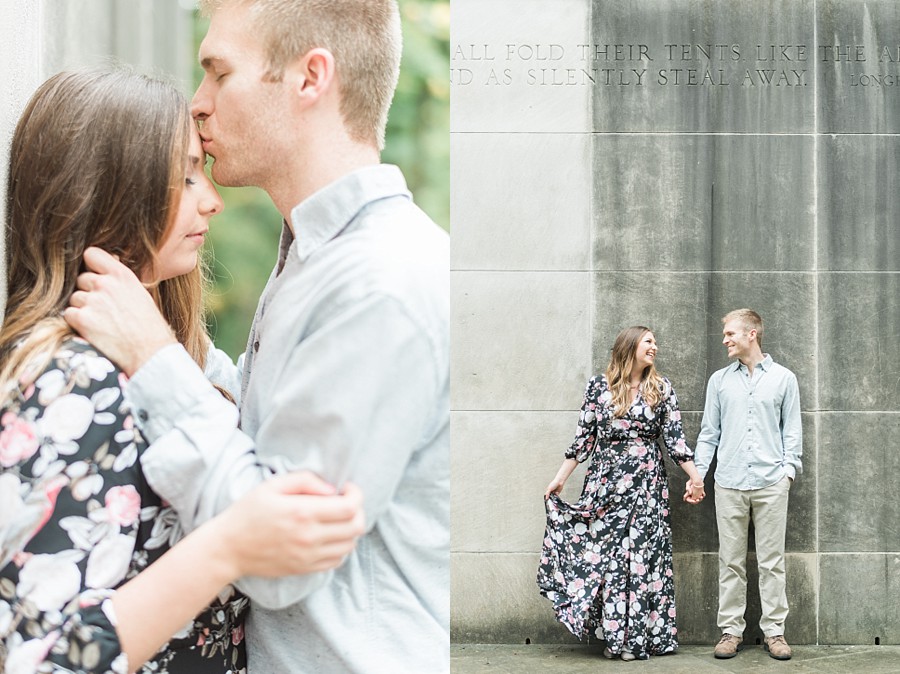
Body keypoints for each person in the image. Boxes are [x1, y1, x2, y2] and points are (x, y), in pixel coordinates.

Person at [64, 1, 449, 672]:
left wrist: (155, 359)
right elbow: (263, 431)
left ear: (310, 78)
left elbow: (276, 565)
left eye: (219, 72)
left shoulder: (378, 285)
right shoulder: (318, 254)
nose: (198, 101)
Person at [0, 67, 364, 674]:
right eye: (184, 175)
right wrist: (228, 545)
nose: (212, 199)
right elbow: (44, 660)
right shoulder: (74, 378)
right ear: (108, 189)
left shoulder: (152, 353)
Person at [538, 326, 705, 661]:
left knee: (642, 559)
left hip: (646, 487)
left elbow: (674, 440)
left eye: (655, 342)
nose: (655, 347)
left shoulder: (661, 387)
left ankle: (640, 638)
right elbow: (583, 438)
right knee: (611, 559)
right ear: (629, 346)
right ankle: (618, 638)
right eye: (648, 342)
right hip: (606, 483)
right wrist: (559, 479)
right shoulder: (599, 387)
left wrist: (695, 478)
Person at [690, 309, 802, 661]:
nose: (725, 339)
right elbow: (709, 434)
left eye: (730, 334)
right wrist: (698, 476)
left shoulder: (784, 379)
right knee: (731, 561)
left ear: (751, 334)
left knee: (772, 562)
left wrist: (787, 473)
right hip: (729, 483)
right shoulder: (719, 381)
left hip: (771, 483)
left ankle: (775, 633)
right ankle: (730, 632)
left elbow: (792, 431)